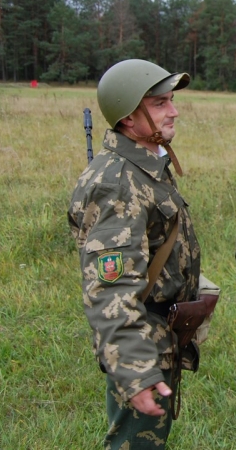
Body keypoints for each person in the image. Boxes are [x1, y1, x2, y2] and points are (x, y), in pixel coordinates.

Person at [68, 59, 202, 449]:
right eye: (160, 103)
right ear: (128, 116)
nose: (174, 111)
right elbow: (109, 288)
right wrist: (136, 368)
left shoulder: (144, 165)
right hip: (143, 340)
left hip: (160, 336)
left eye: (171, 101)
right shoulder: (118, 182)